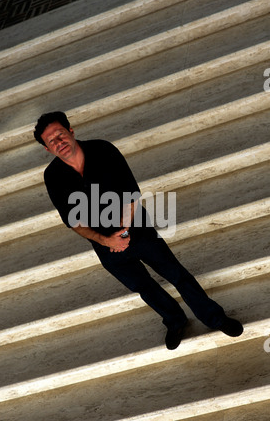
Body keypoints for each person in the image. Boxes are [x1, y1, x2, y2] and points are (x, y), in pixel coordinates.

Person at [34, 111, 243, 350]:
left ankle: (215, 318)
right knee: (143, 286)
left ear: (71, 132)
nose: (58, 142)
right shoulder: (52, 177)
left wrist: (122, 234)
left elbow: (131, 193)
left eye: (60, 134)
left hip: (138, 229)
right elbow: (73, 221)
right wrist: (106, 241)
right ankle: (175, 321)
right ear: (47, 149)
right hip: (107, 247)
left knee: (176, 274)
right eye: (51, 141)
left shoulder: (103, 150)